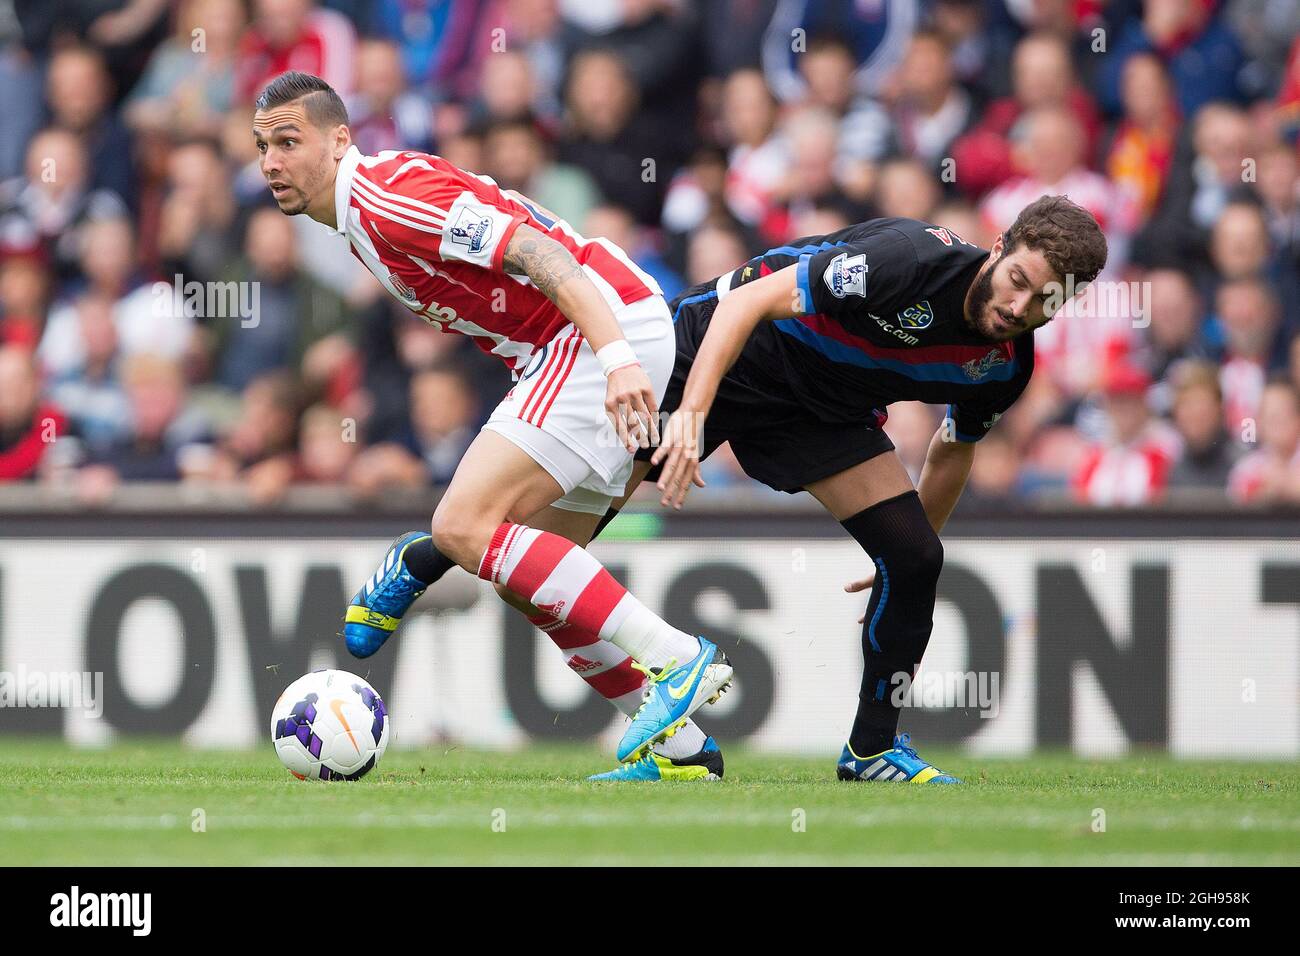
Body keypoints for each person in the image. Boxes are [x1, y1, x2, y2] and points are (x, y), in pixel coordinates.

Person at [251, 71, 732, 769]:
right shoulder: (359, 221)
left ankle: (678, 657)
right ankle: (683, 751)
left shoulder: (385, 199)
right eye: (263, 146)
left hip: (594, 333)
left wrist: (617, 356)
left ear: (339, 141)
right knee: (523, 575)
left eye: (288, 141)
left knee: (461, 524)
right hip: (583, 341)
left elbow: (540, 253)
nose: (271, 162)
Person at [625, 195, 1107, 782]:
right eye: (1017, 281)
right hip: (724, 348)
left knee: (915, 557)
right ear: (999, 246)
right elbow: (746, 302)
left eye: (1046, 302)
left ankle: (872, 750)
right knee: (567, 536)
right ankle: (677, 748)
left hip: (821, 408)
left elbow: (954, 448)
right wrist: (692, 414)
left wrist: (894, 564)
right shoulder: (906, 262)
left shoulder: (1005, 366)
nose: (1019, 307)